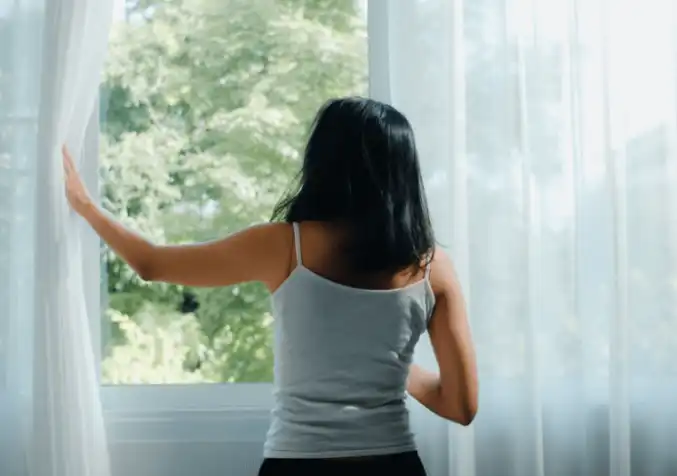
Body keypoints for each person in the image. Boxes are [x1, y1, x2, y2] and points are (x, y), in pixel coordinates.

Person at [63, 97, 478, 476]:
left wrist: (85, 206)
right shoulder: (432, 268)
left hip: (298, 465)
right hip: (394, 465)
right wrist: (397, 369)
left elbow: (150, 263)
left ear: (324, 162)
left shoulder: (285, 246)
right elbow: (461, 407)